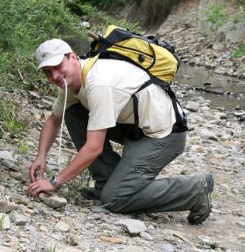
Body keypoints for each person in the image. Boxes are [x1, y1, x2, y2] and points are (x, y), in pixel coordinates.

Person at [27, 38, 214, 224]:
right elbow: (54, 120)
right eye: (48, 72)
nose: (55, 76)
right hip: (133, 129)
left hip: (163, 135)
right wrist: (40, 156)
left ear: (73, 57)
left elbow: (94, 147)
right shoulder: (73, 81)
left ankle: (195, 190)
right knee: (73, 112)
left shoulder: (99, 84)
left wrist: (54, 182)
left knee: (115, 199)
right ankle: (106, 183)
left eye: (58, 66)